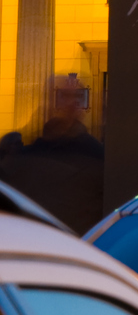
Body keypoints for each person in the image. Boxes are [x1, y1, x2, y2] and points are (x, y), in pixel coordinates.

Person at [0, 75, 104, 234]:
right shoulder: (28, 154)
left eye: (77, 97)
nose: (70, 104)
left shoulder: (95, 154)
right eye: (62, 96)